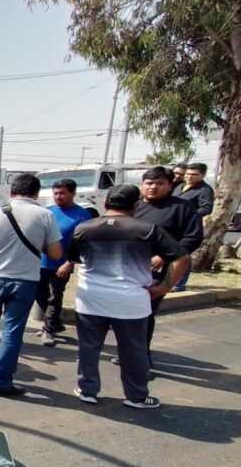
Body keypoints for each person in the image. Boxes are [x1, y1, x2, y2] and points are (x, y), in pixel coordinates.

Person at [68, 185, 189, 409]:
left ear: (105, 204)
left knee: (89, 347)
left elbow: (75, 258)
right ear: (136, 205)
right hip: (131, 301)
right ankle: (136, 396)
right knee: (133, 350)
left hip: (91, 299)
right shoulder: (148, 229)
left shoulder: (83, 229)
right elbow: (181, 258)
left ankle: (87, 390)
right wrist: (164, 287)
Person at [0, 174, 62, 397]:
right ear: (37, 193)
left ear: (11, 191)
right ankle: (2, 381)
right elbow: (56, 253)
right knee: (12, 331)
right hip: (25, 280)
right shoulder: (46, 215)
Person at [134, 166, 203, 363]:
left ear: (170, 185)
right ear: (142, 185)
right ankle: (128, 353)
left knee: (145, 313)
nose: (153, 187)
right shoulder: (133, 206)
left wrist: (164, 256)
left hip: (160, 270)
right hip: (130, 269)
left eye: (159, 183)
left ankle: (141, 359)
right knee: (126, 316)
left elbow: (193, 237)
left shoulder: (182, 208)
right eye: (149, 183)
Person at [36, 179, 92, 347]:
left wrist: (69, 263)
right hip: (40, 263)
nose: (58, 196)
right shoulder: (48, 211)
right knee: (39, 295)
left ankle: (48, 329)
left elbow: (82, 244)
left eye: (62, 193)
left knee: (55, 296)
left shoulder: (82, 215)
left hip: (61, 265)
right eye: (56, 193)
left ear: (73, 193)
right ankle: (55, 323)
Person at [171, 162, 214, 291]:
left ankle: (179, 284)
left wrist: (189, 215)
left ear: (203, 175)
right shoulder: (179, 186)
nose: (190, 177)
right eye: (188, 174)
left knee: (182, 254)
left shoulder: (204, 189)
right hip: (172, 224)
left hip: (188, 227)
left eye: (195, 175)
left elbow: (206, 208)